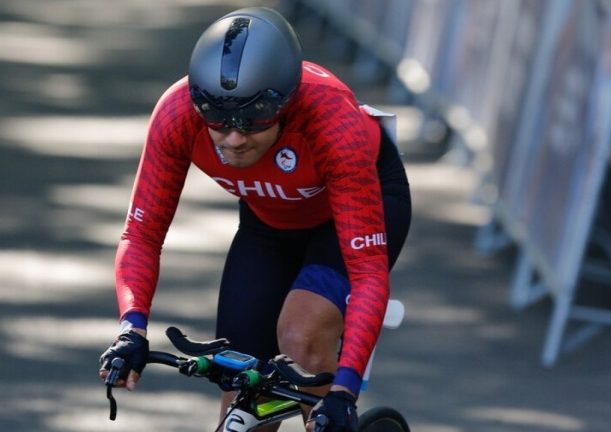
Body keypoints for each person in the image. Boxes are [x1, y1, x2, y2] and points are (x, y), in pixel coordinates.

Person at [99, 6, 411, 431]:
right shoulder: (177, 114)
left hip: (351, 215)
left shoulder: (332, 124)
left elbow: (368, 276)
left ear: (285, 104)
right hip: (270, 221)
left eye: (252, 120)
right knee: (241, 384)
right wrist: (131, 329)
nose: (233, 138)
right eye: (218, 119)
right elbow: (142, 233)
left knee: (301, 335)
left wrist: (344, 391)